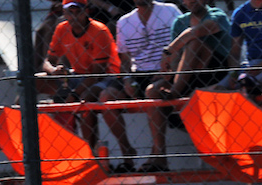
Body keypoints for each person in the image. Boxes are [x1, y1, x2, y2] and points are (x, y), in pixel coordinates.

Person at [142, 0, 232, 170]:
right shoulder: (180, 22)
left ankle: (175, 93)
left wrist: (168, 50)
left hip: (215, 73)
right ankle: (159, 155)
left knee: (194, 42)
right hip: (187, 77)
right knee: (151, 90)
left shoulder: (217, 16)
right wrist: (168, 68)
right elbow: (175, 57)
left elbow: (194, 33)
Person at [99, 0, 182, 170]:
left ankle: (159, 156)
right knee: (106, 97)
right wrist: (128, 79)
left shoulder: (170, 11)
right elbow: (125, 60)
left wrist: (168, 71)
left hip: (167, 71)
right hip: (139, 75)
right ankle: (127, 152)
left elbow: (182, 47)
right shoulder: (124, 22)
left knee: (153, 92)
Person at [42, 0, 123, 150]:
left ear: (86, 11)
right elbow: (48, 61)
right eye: (69, 12)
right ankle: (22, 123)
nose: (74, 16)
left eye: (78, 11)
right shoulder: (61, 28)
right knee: (33, 82)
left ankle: (89, 152)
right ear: (64, 13)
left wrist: (74, 94)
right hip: (78, 75)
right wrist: (53, 70)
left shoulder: (99, 30)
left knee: (85, 98)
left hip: (106, 76)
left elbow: (98, 73)